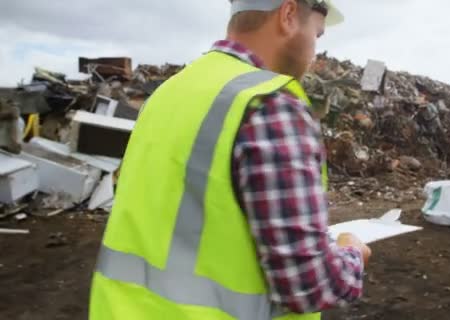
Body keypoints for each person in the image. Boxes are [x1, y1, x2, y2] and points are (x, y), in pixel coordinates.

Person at [89, 0, 371, 319]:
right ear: (289, 15)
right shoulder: (271, 105)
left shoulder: (169, 92)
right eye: (317, 35)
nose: (315, 52)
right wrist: (352, 252)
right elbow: (309, 285)